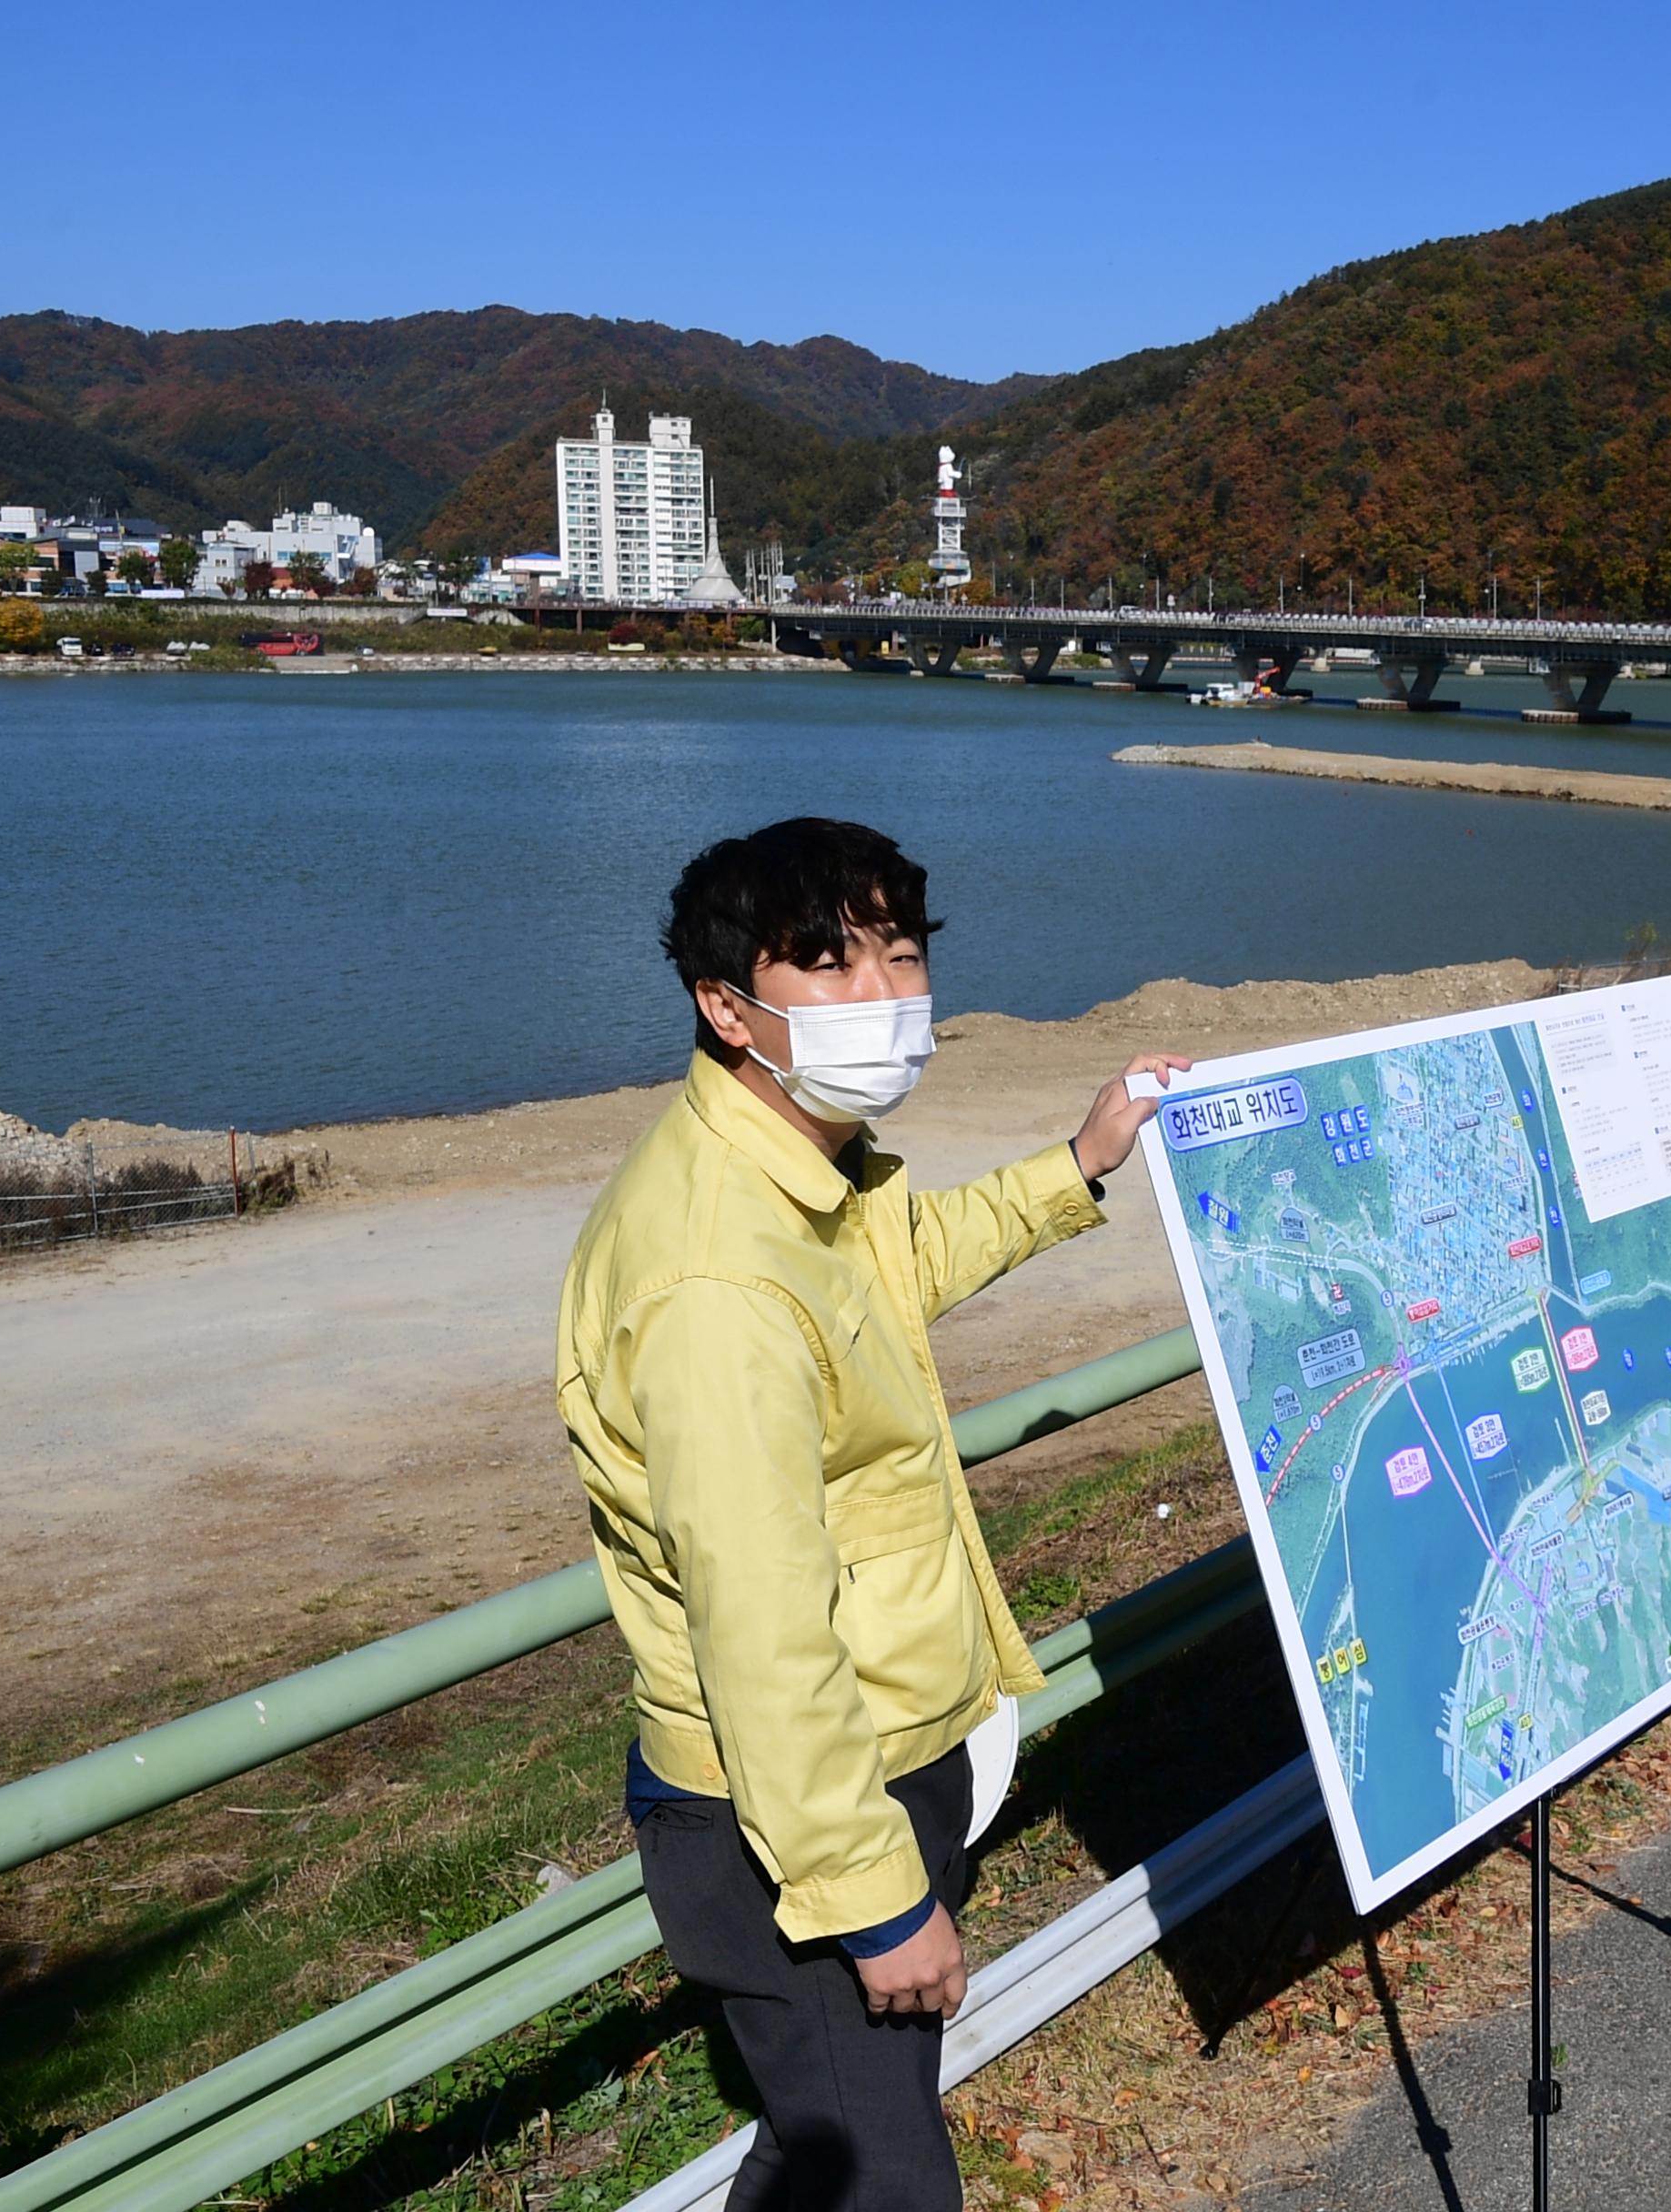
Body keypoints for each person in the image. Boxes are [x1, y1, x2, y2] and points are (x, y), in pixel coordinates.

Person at [559, 818, 1182, 2212]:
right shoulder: (717, 1281)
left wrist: (1078, 1161)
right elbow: (762, 1635)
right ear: (728, 1007)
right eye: (829, 965)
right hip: (789, 1809)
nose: (885, 995)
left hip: (875, 1752)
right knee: (880, 2175)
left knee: (825, 2135)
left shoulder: (807, 1177)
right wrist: (872, 1898)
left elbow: (898, 1266)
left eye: (898, 956)